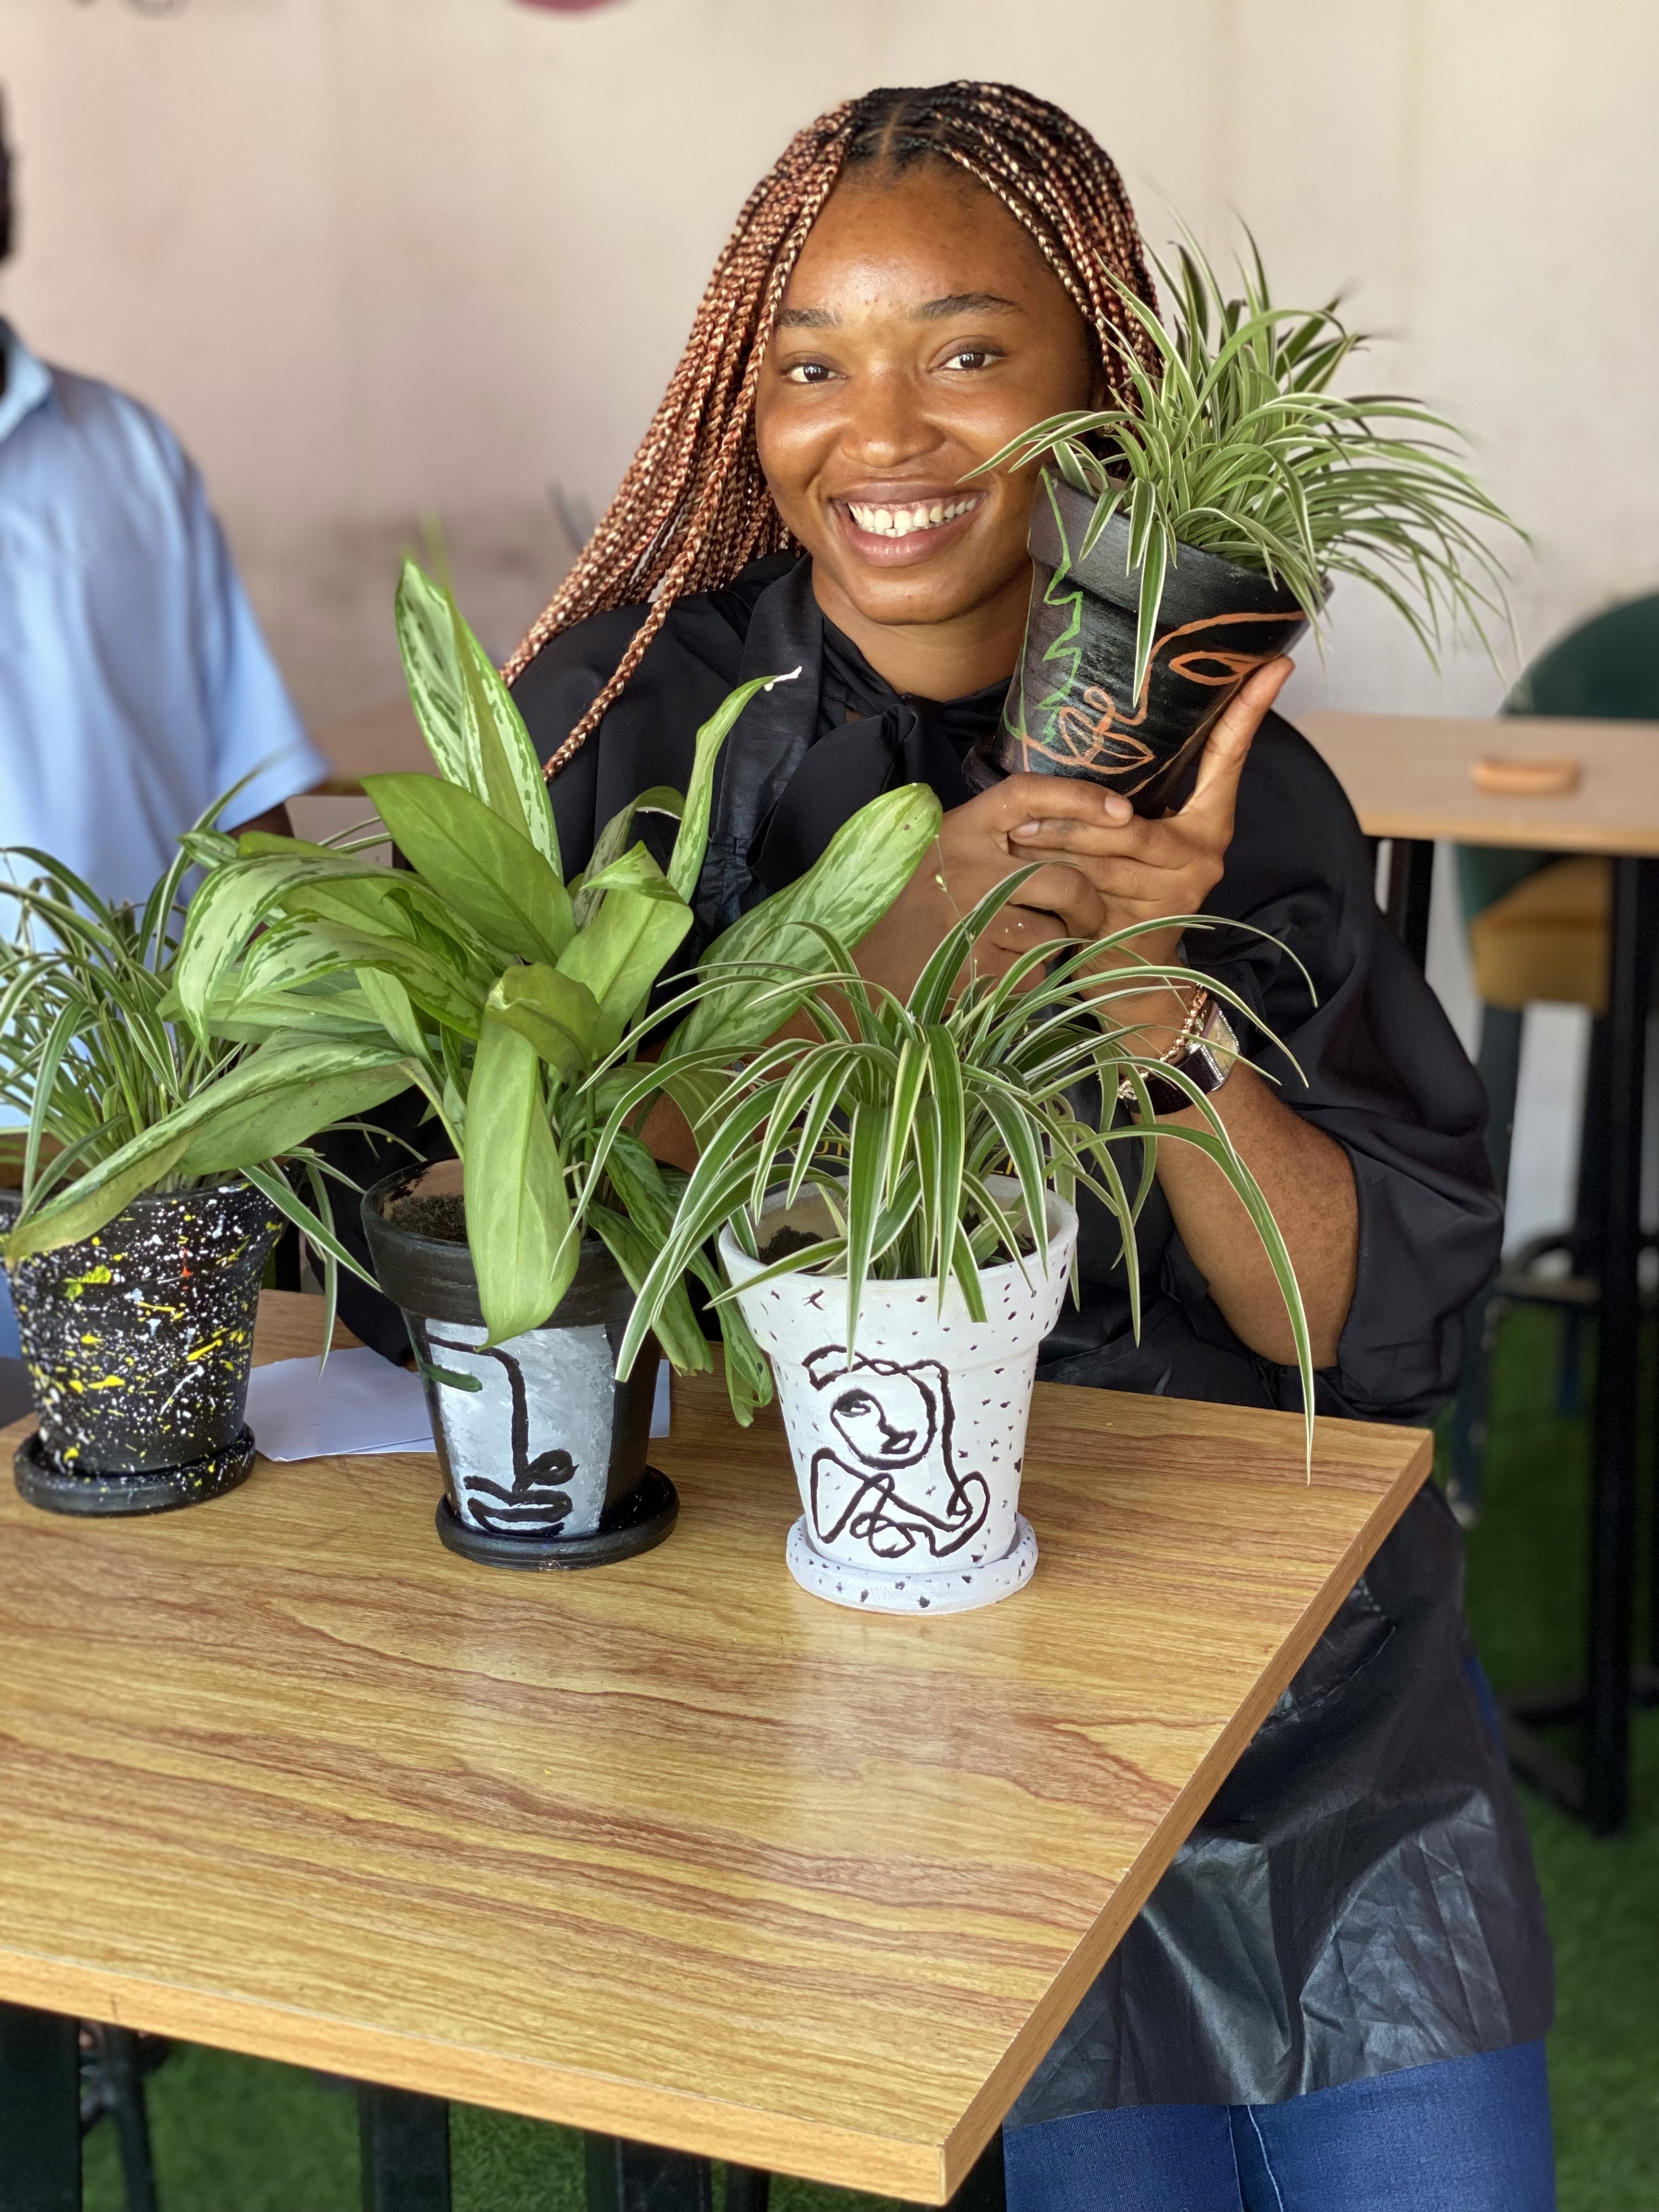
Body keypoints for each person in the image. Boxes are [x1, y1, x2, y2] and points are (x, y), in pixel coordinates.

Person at [503, 84, 1555, 2212]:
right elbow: (543, 1230)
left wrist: (1159, 1003)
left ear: (1101, 391)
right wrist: (905, 941)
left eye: (967, 353)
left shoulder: (1228, 772)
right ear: (745, 394)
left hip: (1292, 1681)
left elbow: (1357, 1323)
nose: (877, 435)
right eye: (810, 362)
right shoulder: (641, 733)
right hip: (893, 1671)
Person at [0, 93, 326, 1363]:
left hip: (155, 1134)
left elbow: (248, 789)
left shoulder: (124, 451)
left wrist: (297, 1066)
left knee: (156, 1544)